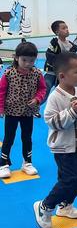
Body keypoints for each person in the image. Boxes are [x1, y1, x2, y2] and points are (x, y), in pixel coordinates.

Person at [33, 52, 77, 228]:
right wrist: (71, 112)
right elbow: (52, 121)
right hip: (63, 148)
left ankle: (66, 205)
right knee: (68, 179)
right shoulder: (55, 97)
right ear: (62, 76)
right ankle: (45, 206)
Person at [0, 41, 46, 179]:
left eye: (31, 60)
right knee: (9, 138)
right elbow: (1, 91)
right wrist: (1, 108)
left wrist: (37, 99)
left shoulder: (37, 73)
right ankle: (3, 164)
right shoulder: (9, 74)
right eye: (24, 60)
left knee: (27, 138)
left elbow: (42, 89)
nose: (27, 63)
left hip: (28, 112)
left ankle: (27, 163)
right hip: (11, 111)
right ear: (16, 58)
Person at [43, 20, 77, 103]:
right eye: (63, 28)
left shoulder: (71, 45)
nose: (67, 29)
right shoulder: (54, 43)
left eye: (67, 27)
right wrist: (59, 61)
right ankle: (35, 107)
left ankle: (61, 108)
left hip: (64, 74)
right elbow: (49, 55)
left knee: (63, 92)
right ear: (57, 32)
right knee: (45, 89)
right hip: (51, 72)